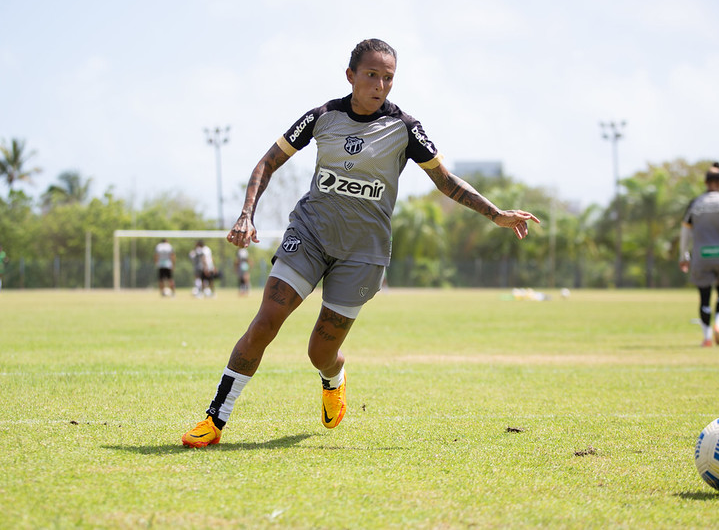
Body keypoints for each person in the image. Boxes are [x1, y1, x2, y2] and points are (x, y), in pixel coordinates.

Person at [182, 39, 539, 448]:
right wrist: (247, 212)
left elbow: (445, 181)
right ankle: (215, 420)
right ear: (350, 75)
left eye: (388, 78)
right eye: (372, 75)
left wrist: (496, 214)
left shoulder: (404, 128)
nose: (380, 85)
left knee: (320, 351)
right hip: (310, 234)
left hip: (363, 254)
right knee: (265, 322)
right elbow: (267, 163)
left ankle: (333, 377)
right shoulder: (322, 118)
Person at [679, 162, 719, 347]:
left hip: (701, 256)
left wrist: (683, 256)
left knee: (704, 297)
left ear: (706, 182)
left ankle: (707, 338)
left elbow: (685, 232)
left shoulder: (696, 203)